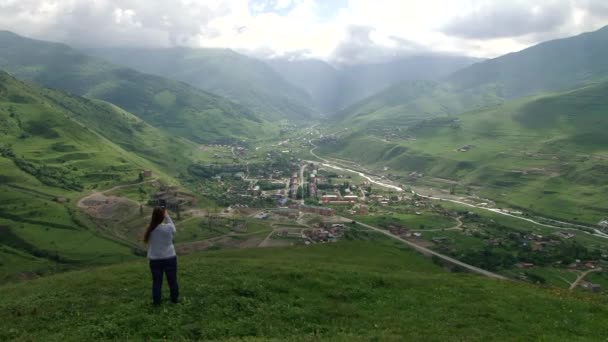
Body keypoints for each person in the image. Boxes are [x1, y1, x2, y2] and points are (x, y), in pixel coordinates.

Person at [143, 206, 179, 305]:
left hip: (155, 259)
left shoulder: (150, 229)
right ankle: (174, 299)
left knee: (157, 282)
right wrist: (167, 216)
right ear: (163, 216)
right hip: (170, 257)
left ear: (153, 216)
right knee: (172, 280)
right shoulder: (168, 228)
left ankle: (156, 302)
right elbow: (174, 228)